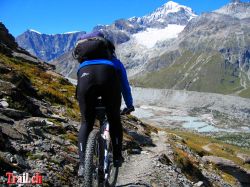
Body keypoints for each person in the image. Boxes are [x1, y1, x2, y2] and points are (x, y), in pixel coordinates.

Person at [74, 31, 134, 176]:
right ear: (105, 45)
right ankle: (117, 157)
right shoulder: (114, 61)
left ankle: (83, 164)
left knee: (86, 123)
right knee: (114, 120)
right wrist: (129, 104)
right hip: (108, 81)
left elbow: (79, 88)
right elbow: (124, 85)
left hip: (85, 80)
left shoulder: (82, 63)